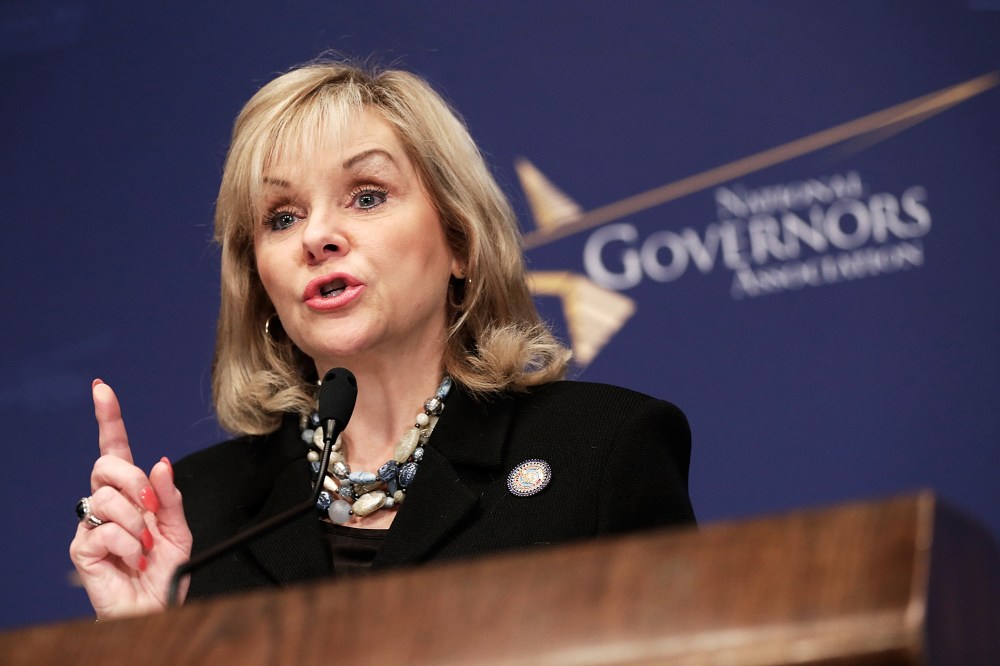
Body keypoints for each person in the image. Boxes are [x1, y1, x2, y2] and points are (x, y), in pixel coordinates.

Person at [69, 60, 696, 619]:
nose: (317, 237)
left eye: (367, 197)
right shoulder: (194, 515)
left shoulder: (603, 450)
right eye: (282, 218)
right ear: (259, 282)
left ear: (460, 242)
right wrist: (141, 642)